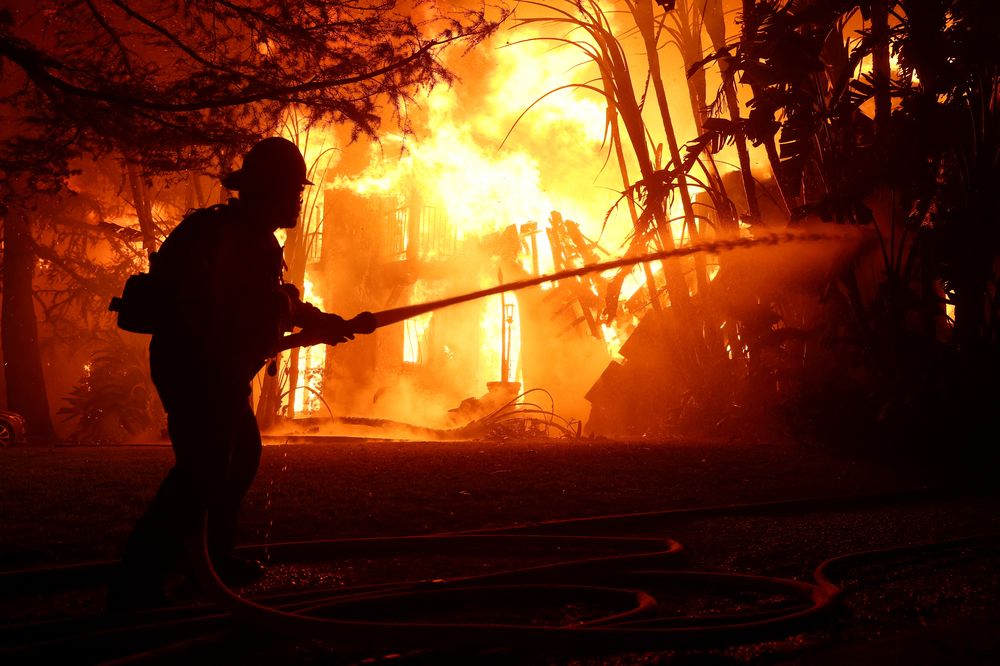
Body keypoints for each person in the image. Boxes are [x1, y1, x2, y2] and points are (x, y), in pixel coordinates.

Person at [108, 137, 374, 612]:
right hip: (197, 368)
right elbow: (219, 308)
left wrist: (319, 322)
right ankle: (137, 583)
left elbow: (270, 303)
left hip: (218, 370)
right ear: (270, 190)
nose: (298, 199)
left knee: (240, 457)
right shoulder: (222, 236)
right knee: (202, 472)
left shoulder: (252, 238)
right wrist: (296, 324)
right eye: (293, 190)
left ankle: (213, 558)